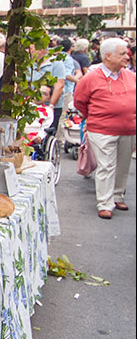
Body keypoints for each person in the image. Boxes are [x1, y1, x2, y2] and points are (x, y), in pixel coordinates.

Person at [73, 37, 136, 219]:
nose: (127, 57)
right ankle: (105, 203)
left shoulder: (130, 76)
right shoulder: (91, 78)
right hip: (101, 129)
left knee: (123, 165)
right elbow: (80, 101)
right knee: (106, 166)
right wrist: (93, 116)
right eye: (122, 53)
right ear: (108, 56)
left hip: (128, 129)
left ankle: (117, 196)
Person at [28, 44, 66, 137]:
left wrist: (51, 106)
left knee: (47, 132)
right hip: (32, 104)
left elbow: (59, 85)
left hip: (50, 104)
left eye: (32, 50)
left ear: (40, 50)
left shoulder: (56, 63)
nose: (30, 52)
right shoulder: (30, 64)